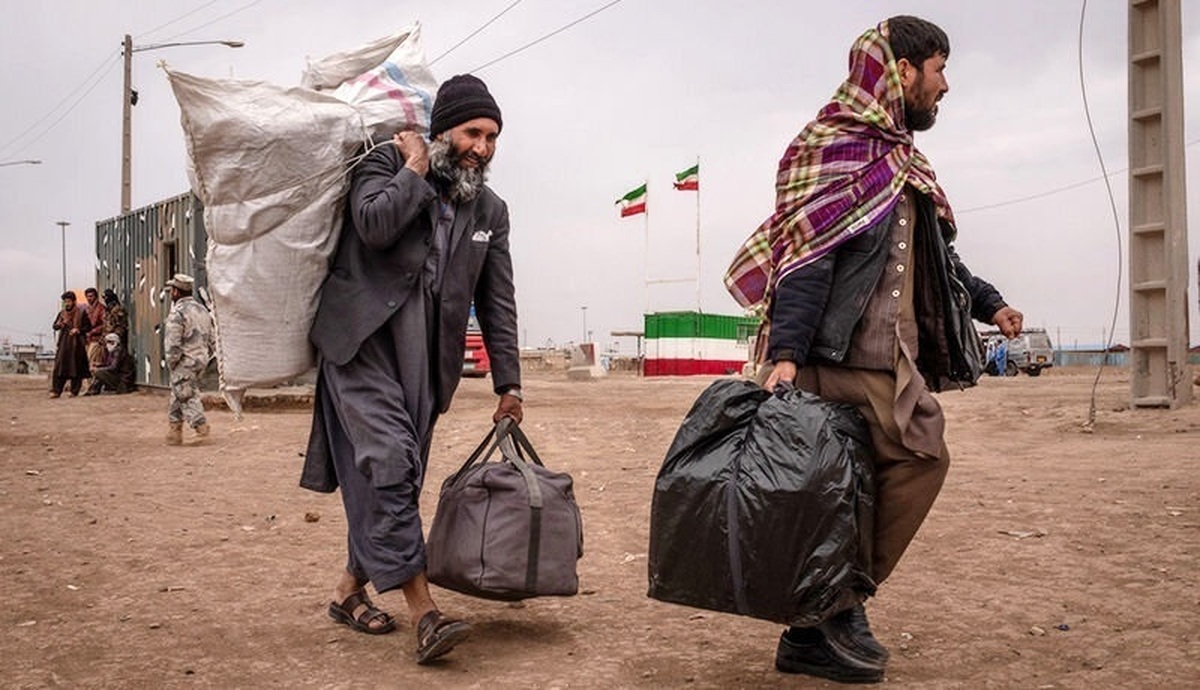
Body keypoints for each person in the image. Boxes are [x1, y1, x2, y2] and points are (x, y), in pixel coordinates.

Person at [724, 16, 1024, 683]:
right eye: (938, 68)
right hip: (843, 359)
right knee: (921, 454)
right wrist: (786, 357)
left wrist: (990, 303)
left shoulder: (904, 162)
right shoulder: (831, 147)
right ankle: (835, 605)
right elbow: (806, 260)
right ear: (901, 70)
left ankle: (817, 623)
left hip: (892, 357)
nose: (944, 85)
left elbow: (941, 261)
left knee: (845, 492)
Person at [300, 74, 522, 665]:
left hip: (427, 364)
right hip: (362, 345)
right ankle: (424, 613)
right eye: (474, 132)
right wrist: (415, 170)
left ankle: (348, 590)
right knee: (391, 465)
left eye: (493, 136)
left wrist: (510, 384)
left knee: (393, 480)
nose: (484, 146)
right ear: (443, 127)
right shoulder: (384, 165)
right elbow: (372, 225)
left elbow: (497, 300)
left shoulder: (491, 211)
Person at [163, 274, 214, 444]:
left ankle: (201, 428)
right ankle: (174, 432)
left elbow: (173, 343)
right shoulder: (201, 310)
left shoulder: (178, 313)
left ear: (176, 292)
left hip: (184, 361)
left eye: (172, 290)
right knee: (178, 392)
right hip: (201, 359)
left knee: (186, 394)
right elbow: (212, 337)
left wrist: (171, 362)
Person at [50, 291, 92, 398]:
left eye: (68, 301)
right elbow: (54, 326)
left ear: (74, 301)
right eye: (65, 302)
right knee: (59, 367)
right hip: (64, 344)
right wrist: (59, 324)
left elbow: (88, 327)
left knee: (76, 368)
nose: (67, 304)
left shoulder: (81, 313)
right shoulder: (62, 313)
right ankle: (56, 391)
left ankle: (74, 391)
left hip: (77, 345)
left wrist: (78, 330)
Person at [82, 287, 107, 373]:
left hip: (97, 340)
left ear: (95, 296)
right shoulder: (87, 309)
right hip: (88, 340)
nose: (89, 298)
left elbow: (105, 325)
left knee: (94, 363)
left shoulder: (101, 309)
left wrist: (93, 331)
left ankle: (95, 384)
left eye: (91, 296)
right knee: (88, 364)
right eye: (87, 296)